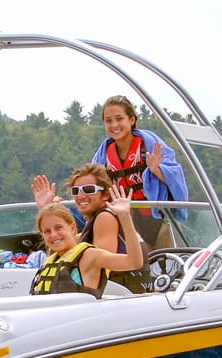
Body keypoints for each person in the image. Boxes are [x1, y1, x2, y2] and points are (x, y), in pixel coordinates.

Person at [31, 163, 152, 293]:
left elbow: (100, 269)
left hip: (124, 294)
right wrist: (47, 209)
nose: (81, 196)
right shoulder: (88, 230)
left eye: (89, 190)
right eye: (76, 191)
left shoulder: (104, 218)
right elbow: (61, 245)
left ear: (105, 195)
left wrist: (125, 216)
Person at [91, 95, 189, 250]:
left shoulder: (149, 146)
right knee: (143, 268)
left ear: (131, 120)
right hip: (129, 223)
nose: (114, 125)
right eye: (108, 120)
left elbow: (175, 178)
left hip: (161, 218)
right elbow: (91, 182)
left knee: (170, 263)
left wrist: (155, 169)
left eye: (119, 119)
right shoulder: (102, 156)